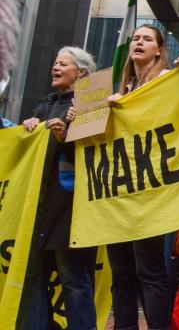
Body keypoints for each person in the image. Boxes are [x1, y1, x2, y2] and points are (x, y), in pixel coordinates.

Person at [17, 47, 99, 330]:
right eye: (54, 62)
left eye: (63, 63)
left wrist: (66, 136)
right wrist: (28, 128)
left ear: (82, 73)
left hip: (71, 209)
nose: (55, 66)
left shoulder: (91, 103)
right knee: (35, 278)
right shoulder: (44, 105)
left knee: (74, 280)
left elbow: (96, 153)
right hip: (39, 208)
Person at [105, 24, 175, 330]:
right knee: (121, 272)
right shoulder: (119, 91)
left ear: (159, 49)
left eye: (147, 39)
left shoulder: (167, 81)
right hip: (117, 191)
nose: (139, 42)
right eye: (135, 38)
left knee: (150, 270)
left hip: (150, 189)